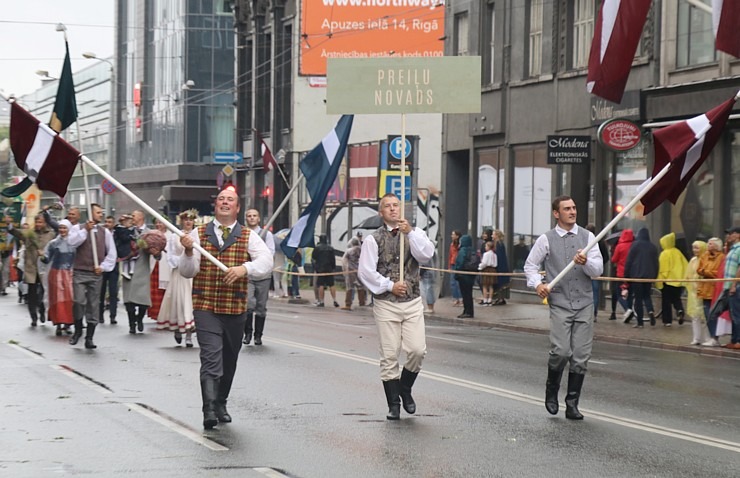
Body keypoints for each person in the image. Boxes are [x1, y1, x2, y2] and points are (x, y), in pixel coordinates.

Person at [179, 185, 272, 429]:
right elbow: (187, 271)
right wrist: (188, 252)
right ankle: (208, 408)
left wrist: (245, 269)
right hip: (205, 304)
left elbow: (266, 262)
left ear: (237, 208)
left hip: (235, 307)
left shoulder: (248, 236)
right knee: (211, 357)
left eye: (230, 200)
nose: (225, 202)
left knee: (229, 358)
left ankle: (221, 402)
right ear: (215, 206)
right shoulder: (199, 234)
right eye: (221, 199)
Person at [524, 195, 603, 420]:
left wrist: (585, 261)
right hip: (559, 303)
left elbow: (598, 270)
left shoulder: (588, 238)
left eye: (574, 207)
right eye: (567, 208)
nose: (572, 211)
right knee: (561, 351)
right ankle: (551, 391)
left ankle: (572, 403)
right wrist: (538, 284)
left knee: (580, 355)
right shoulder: (546, 239)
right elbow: (530, 265)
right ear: (556, 213)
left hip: (584, 304)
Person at [358, 193, 434, 420]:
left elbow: (426, 255)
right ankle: (393, 404)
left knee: (417, 350)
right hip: (387, 305)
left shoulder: (415, 233)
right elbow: (366, 272)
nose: (393, 209)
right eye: (388, 206)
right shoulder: (373, 239)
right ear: (381, 212)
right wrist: (390, 285)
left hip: (411, 302)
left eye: (396, 205)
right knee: (390, 355)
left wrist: (409, 233)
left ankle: (405, 388)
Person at [66, 204, 118, 349]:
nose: (101, 215)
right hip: (80, 272)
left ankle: (89, 337)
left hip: (95, 274)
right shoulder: (78, 229)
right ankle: (77, 330)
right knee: (78, 301)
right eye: (98, 212)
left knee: (93, 305)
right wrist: (85, 231)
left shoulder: (105, 232)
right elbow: (71, 243)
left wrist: (102, 267)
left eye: (102, 212)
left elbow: (112, 253)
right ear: (90, 213)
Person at [6, 214, 56, 326]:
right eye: (37, 222)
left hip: (44, 268)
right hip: (31, 268)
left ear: (45, 223)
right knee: (31, 294)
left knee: (43, 293)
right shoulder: (29, 233)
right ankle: (33, 316)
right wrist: (9, 224)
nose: (38, 225)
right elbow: (16, 232)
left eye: (41, 222)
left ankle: (42, 311)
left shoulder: (51, 234)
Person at [157, 210, 198, 346]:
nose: (188, 222)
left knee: (192, 303)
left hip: (194, 275)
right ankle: (178, 328)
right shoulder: (175, 236)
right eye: (185, 219)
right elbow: (170, 256)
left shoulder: (197, 235)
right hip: (179, 274)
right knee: (179, 301)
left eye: (190, 220)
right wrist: (182, 260)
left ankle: (189, 335)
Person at [122, 230, 165, 335]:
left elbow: (157, 255)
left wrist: (157, 253)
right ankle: (132, 324)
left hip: (142, 273)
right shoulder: (123, 233)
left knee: (143, 302)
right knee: (129, 302)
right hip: (128, 272)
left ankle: (139, 319)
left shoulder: (149, 235)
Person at [243, 208, 275, 346]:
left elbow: (270, 252)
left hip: (263, 276)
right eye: (249, 216)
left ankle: (258, 335)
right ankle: (248, 333)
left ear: (259, 218)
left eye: (254, 216)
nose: (251, 218)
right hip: (248, 275)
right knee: (248, 304)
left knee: (261, 306)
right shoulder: (243, 234)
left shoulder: (266, 234)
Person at [42, 219, 75, 336]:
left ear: (69, 229)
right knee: (57, 298)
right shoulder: (53, 243)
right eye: (60, 228)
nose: (62, 230)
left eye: (64, 228)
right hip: (56, 273)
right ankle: (58, 323)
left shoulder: (74, 243)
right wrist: (42, 256)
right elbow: (47, 258)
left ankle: (68, 324)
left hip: (70, 273)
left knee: (70, 298)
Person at [624, 228, 659, 327]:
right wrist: (654, 276)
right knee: (647, 296)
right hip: (648, 277)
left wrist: (626, 275)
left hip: (636, 276)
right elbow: (656, 263)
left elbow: (629, 261)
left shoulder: (635, 245)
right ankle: (651, 311)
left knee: (638, 299)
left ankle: (640, 322)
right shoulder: (653, 247)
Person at [697, 237, 725, 345]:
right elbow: (699, 269)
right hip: (705, 288)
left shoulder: (722, 257)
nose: (708, 245)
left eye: (711, 244)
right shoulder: (704, 256)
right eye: (708, 243)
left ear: (717, 246)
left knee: (713, 313)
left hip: (715, 288)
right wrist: (705, 271)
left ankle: (715, 337)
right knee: (706, 313)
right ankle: (712, 336)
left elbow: (718, 273)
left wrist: (706, 272)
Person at [656, 232, 688, 327]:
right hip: (678, 281)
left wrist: (660, 280)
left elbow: (663, 269)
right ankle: (680, 310)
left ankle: (667, 320)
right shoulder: (678, 252)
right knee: (676, 298)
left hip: (667, 281)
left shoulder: (664, 254)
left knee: (666, 301)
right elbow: (685, 265)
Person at [147, 219, 171, 323]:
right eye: (156, 223)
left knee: (165, 291)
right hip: (155, 264)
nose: (158, 225)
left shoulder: (171, 236)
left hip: (166, 265)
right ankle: (156, 315)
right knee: (154, 290)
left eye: (160, 222)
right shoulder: (152, 235)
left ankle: (166, 315)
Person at [685, 241, 708, 345]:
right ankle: (696, 338)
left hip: (704, 291)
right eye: (693, 248)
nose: (695, 250)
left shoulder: (706, 259)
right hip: (694, 293)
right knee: (695, 316)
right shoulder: (693, 260)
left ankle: (707, 338)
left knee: (705, 316)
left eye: (697, 248)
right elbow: (688, 275)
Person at [609, 229, 634, 321]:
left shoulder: (619, 246)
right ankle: (629, 310)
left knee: (619, 294)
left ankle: (628, 309)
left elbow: (614, 259)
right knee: (630, 294)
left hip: (621, 273)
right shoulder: (633, 245)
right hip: (631, 274)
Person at [99, 215, 120, 325]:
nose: (107, 224)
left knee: (113, 292)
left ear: (113, 224)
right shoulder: (101, 234)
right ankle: (100, 315)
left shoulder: (117, 234)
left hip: (114, 266)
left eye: (110, 222)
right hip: (102, 265)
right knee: (100, 292)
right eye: (106, 221)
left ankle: (113, 316)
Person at [585, 224, 609, 320]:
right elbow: (606, 257)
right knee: (595, 293)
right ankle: (594, 314)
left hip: (586, 272)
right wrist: (599, 264)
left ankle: (588, 312)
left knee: (587, 292)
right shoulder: (600, 242)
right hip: (596, 273)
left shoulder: (584, 241)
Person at [722, 226, 740, 349]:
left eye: (731, 233)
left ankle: (738, 340)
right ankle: (734, 340)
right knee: (733, 314)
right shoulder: (732, 249)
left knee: (736, 314)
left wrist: (734, 284)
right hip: (728, 285)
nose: (729, 236)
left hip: (736, 286)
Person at [312, 234, 339, 307]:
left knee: (320, 285)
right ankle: (334, 300)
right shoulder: (330, 248)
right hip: (329, 269)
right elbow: (333, 259)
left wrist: (315, 268)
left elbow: (313, 258)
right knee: (331, 284)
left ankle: (322, 301)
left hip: (320, 269)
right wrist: (333, 268)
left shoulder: (317, 248)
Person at [454, 234, 477, 319]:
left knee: (465, 294)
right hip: (470, 275)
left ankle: (467, 311)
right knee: (469, 294)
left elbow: (460, 262)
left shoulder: (463, 250)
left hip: (463, 275)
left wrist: (457, 272)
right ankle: (469, 311)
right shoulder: (472, 250)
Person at [341, 236, 366, 310]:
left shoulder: (349, 251)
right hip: (359, 271)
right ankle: (362, 303)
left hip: (350, 271)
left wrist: (344, 271)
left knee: (350, 288)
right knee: (361, 287)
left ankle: (348, 304)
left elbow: (344, 261)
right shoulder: (361, 250)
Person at [492, 229, 510, 305]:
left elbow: (499, 256)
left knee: (501, 282)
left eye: (493, 234)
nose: (492, 236)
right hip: (501, 265)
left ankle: (500, 298)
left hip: (501, 266)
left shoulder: (499, 244)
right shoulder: (498, 244)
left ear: (496, 236)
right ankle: (500, 298)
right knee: (500, 282)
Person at [478, 240, 497, 306]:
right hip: (493, 270)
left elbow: (484, 263)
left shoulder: (486, 254)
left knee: (485, 285)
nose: (485, 247)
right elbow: (496, 264)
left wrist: (479, 267)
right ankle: (490, 300)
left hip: (486, 270)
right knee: (491, 286)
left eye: (486, 246)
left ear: (489, 247)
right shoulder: (494, 255)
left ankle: (485, 300)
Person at [448, 230, 462, 306]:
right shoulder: (452, 244)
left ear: (457, 236)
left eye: (453, 234)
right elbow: (450, 255)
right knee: (453, 282)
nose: (452, 236)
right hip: (453, 264)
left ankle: (460, 298)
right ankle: (455, 298)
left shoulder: (460, 245)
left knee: (458, 282)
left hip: (458, 265)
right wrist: (449, 266)